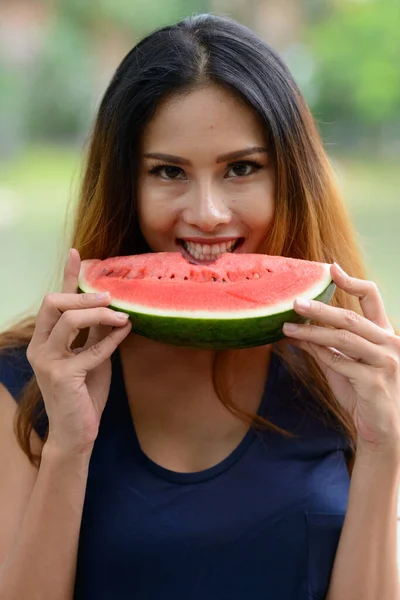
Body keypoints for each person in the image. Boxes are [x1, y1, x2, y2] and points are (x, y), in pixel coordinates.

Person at [0, 13, 399, 600]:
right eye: (168, 171)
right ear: (123, 187)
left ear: (289, 178)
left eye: (242, 168)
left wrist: (383, 448)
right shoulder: (26, 381)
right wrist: (68, 446)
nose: (208, 212)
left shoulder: (358, 378)